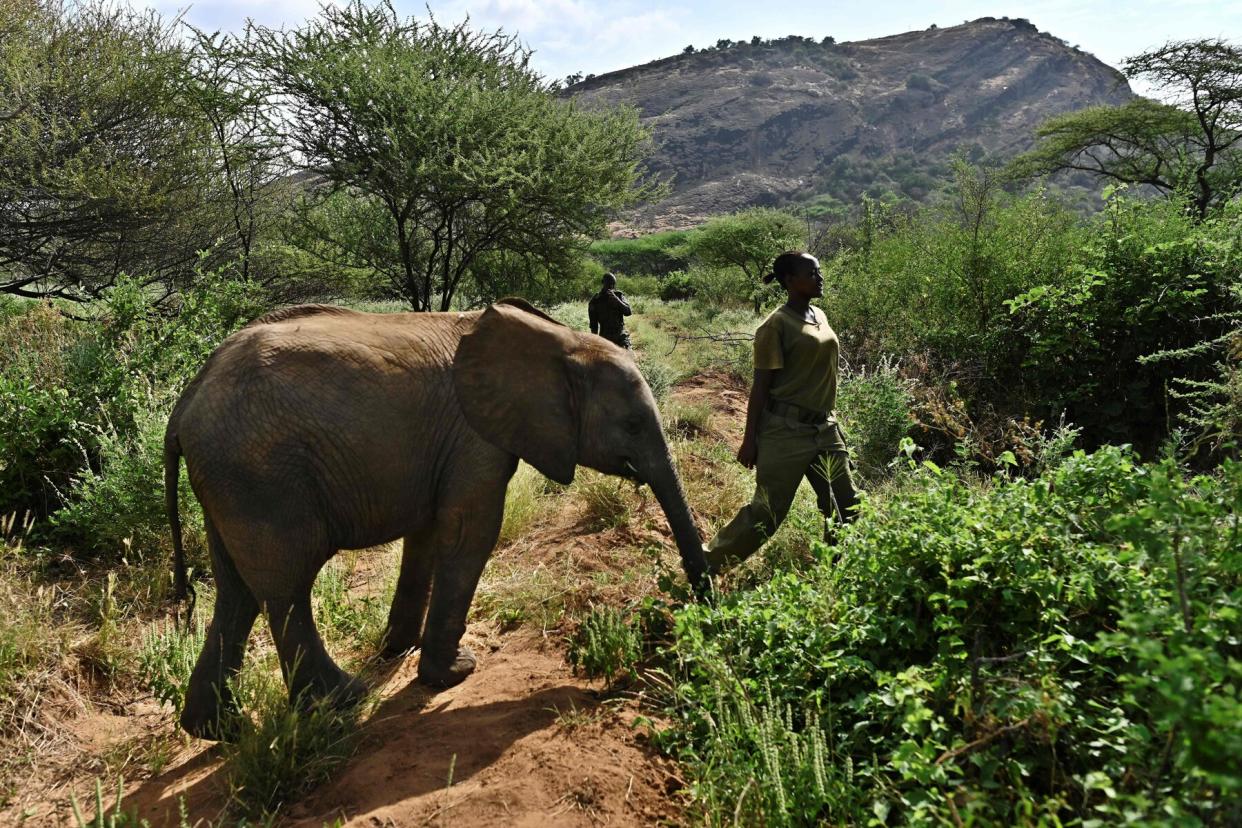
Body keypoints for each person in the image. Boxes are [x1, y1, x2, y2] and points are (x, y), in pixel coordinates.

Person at [704, 251, 859, 574]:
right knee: (767, 514)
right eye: (812, 273)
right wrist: (750, 441)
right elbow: (760, 388)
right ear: (790, 281)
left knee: (846, 506)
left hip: (825, 428)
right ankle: (706, 563)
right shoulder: (775, 325)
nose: (820, 278)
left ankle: (837, 574)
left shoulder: (820, 315)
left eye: (819, 271)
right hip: (786, 431)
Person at [588, 272, 632, 348]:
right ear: (603, 282)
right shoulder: (595, 300)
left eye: (613, 284)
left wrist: (617, 300)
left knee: (629, 356)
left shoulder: (619, 295)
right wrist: (595, 343)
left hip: (620, 335)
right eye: (609, 284)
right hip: (605, 338)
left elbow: (628, 312)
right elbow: (593, 325)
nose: (611, 286)